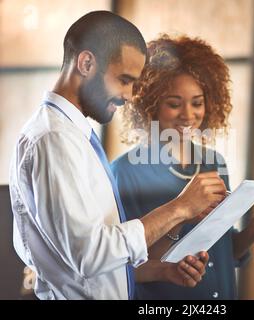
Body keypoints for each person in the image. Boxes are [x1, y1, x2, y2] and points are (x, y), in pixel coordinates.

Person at [9, 12, 228, 300]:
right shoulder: (54, 138)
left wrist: (163, 270)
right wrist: (180, 208)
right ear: (86, 63)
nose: (128, 96)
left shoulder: (73, 136)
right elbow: (90, 255)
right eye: (124, 80)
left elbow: (105, 254)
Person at [111, 35, 254, 300]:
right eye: (174, 104)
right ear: (150, 105)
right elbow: (124, 266)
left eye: (197, 102)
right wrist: (182, 213)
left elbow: (222, 252)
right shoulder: (125, 173)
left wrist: (251, 233)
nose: (188, 114)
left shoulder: (214, 162)